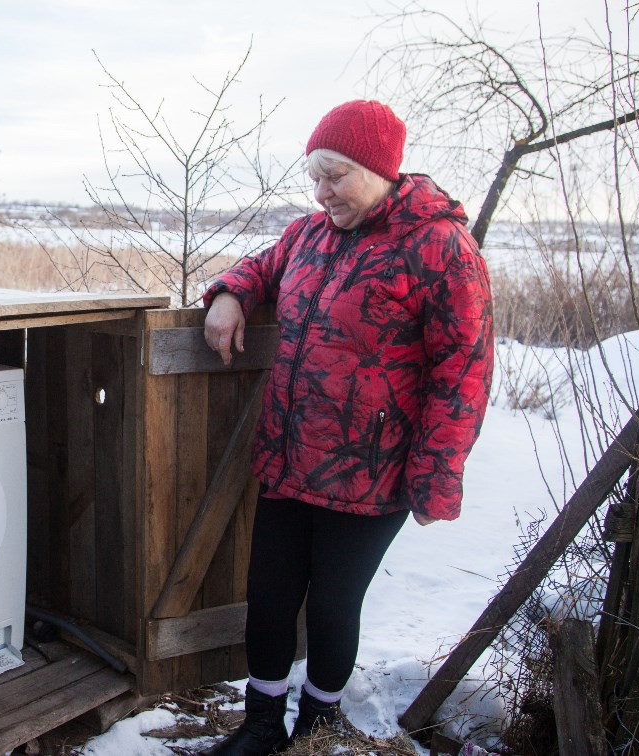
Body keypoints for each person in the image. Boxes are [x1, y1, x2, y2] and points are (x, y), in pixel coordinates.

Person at [199, 100, 494, 754]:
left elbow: (463, 371)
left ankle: (315, 722)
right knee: (269, 596)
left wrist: (436, 476)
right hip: (288, 455)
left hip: (371, 469)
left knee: (333, 604)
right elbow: (261, 267)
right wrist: (228, 294)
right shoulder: (307, 235)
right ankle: (259, 722)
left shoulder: (439, 246)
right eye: (314, 176)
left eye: (334, 175)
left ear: (379, 169)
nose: (320, 191)